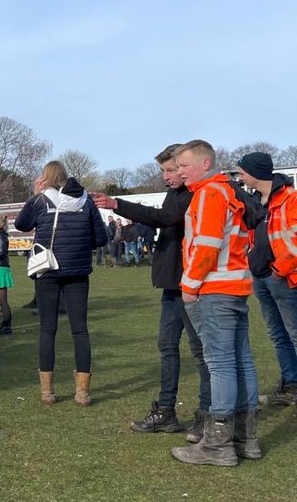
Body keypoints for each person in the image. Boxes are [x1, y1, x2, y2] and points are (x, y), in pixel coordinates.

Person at [93, 144, 210, 439]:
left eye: (172, 170)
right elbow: (165, 217)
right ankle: (166, 411)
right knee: (167, 346)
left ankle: (207, 414)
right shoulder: (176, 193)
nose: (167, 176)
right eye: (164, 171)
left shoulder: (196, 193)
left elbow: (165, 218)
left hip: (191, 284)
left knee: (200, 352)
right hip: (172, 284)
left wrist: (118, 205)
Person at [171, 140, 259, 467]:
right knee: (241, 360)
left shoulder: (208, 194)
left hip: (215, 287)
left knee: (220, 363)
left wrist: (190, 285)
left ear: (205, 164)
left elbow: (206, 245)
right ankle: (245, 439)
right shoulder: (228, 191)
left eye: (184, 165)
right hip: (235, 286)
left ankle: (217, 445)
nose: (180, 171)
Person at [14, 161, 107, 406]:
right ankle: (82, 392)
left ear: (46, 178)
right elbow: (101, 237)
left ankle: (47, 390)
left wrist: (34, 195)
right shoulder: (85, 200)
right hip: (77, 271)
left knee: (48, 329)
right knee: (80, 330)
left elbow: (21, 225)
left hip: (48, 270)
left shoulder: (41, 201)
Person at [237, 152, 297, 407]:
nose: (240, 177)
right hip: (261, 276)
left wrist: (279, 269)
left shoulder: (290, 199)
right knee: (277, 333)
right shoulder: (254, 201)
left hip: (282, 277)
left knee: (294, 332)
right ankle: (290, 384)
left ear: (254, 172)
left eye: (242, 172)